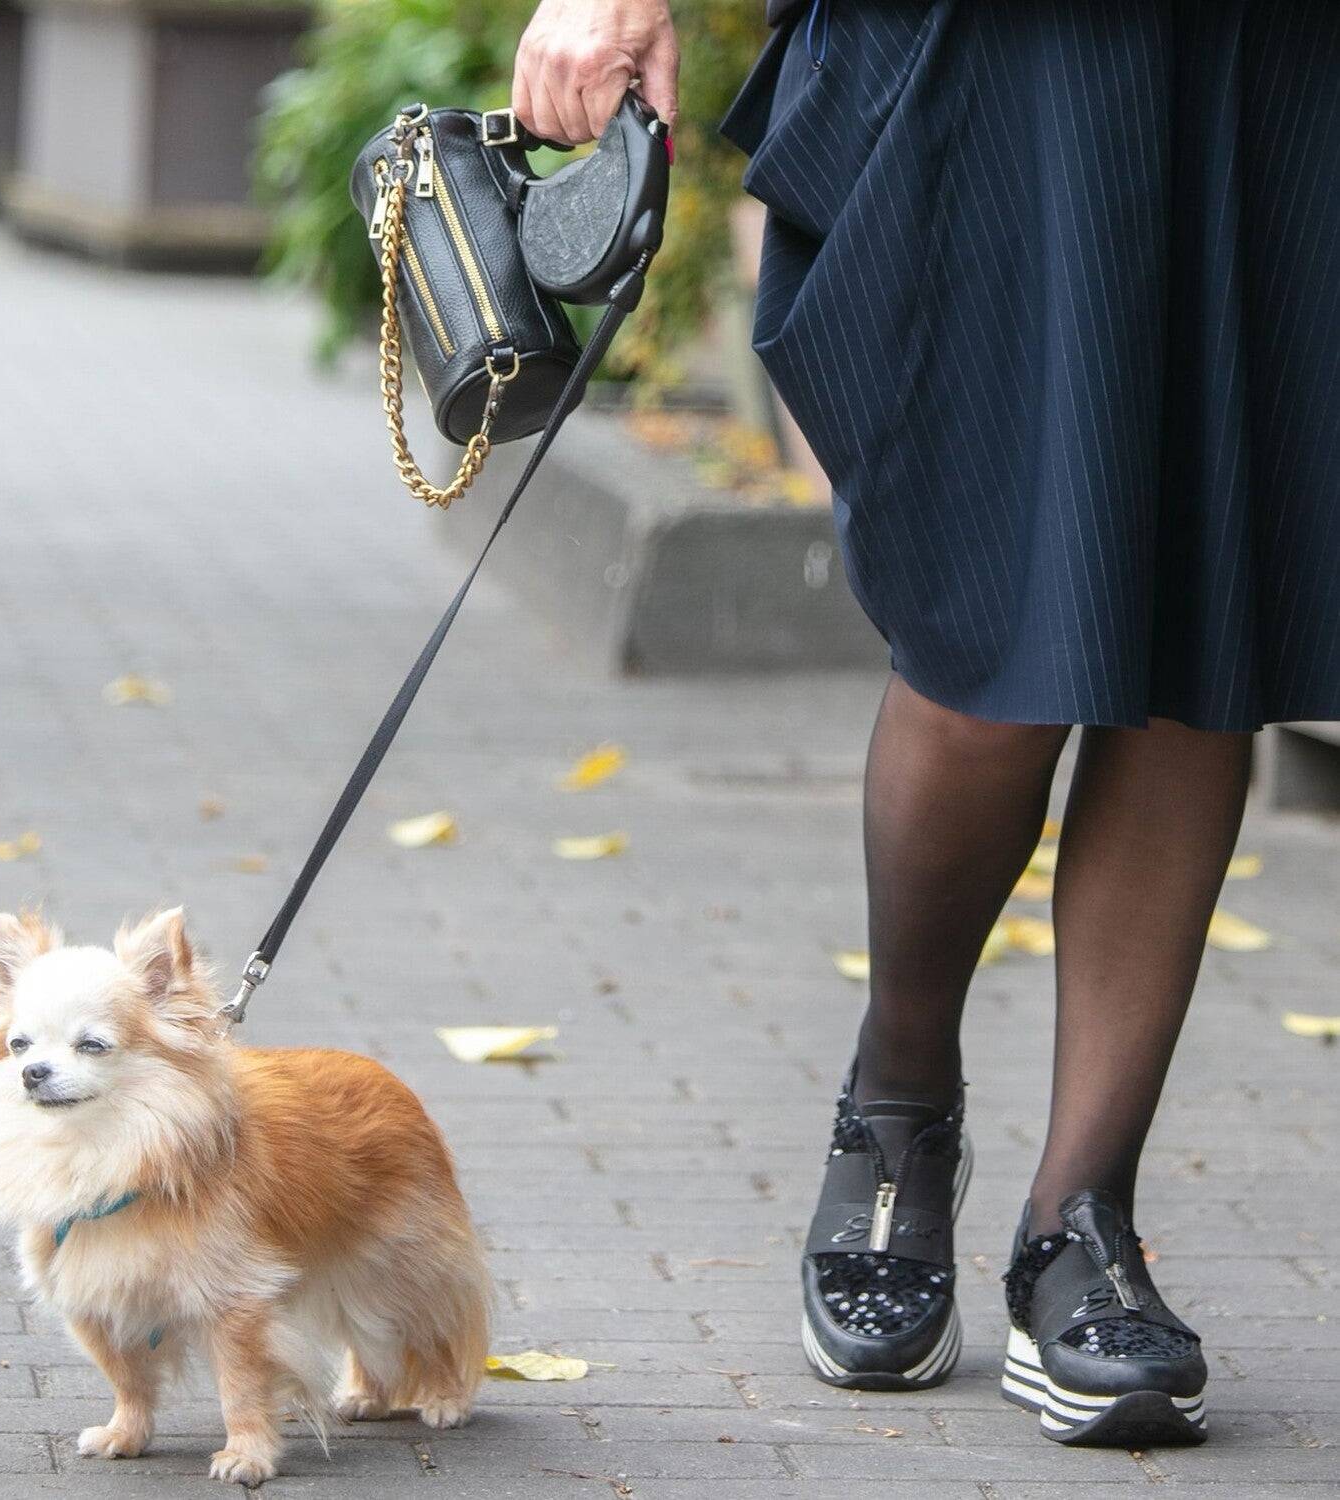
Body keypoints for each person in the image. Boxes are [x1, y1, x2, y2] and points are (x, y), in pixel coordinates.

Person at [513, 0, 1340, 1450]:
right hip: (992, 61)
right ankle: (901, 1094)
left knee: (1201, 627)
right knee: (988, 625)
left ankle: (1080, 1222)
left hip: (1266, 56)